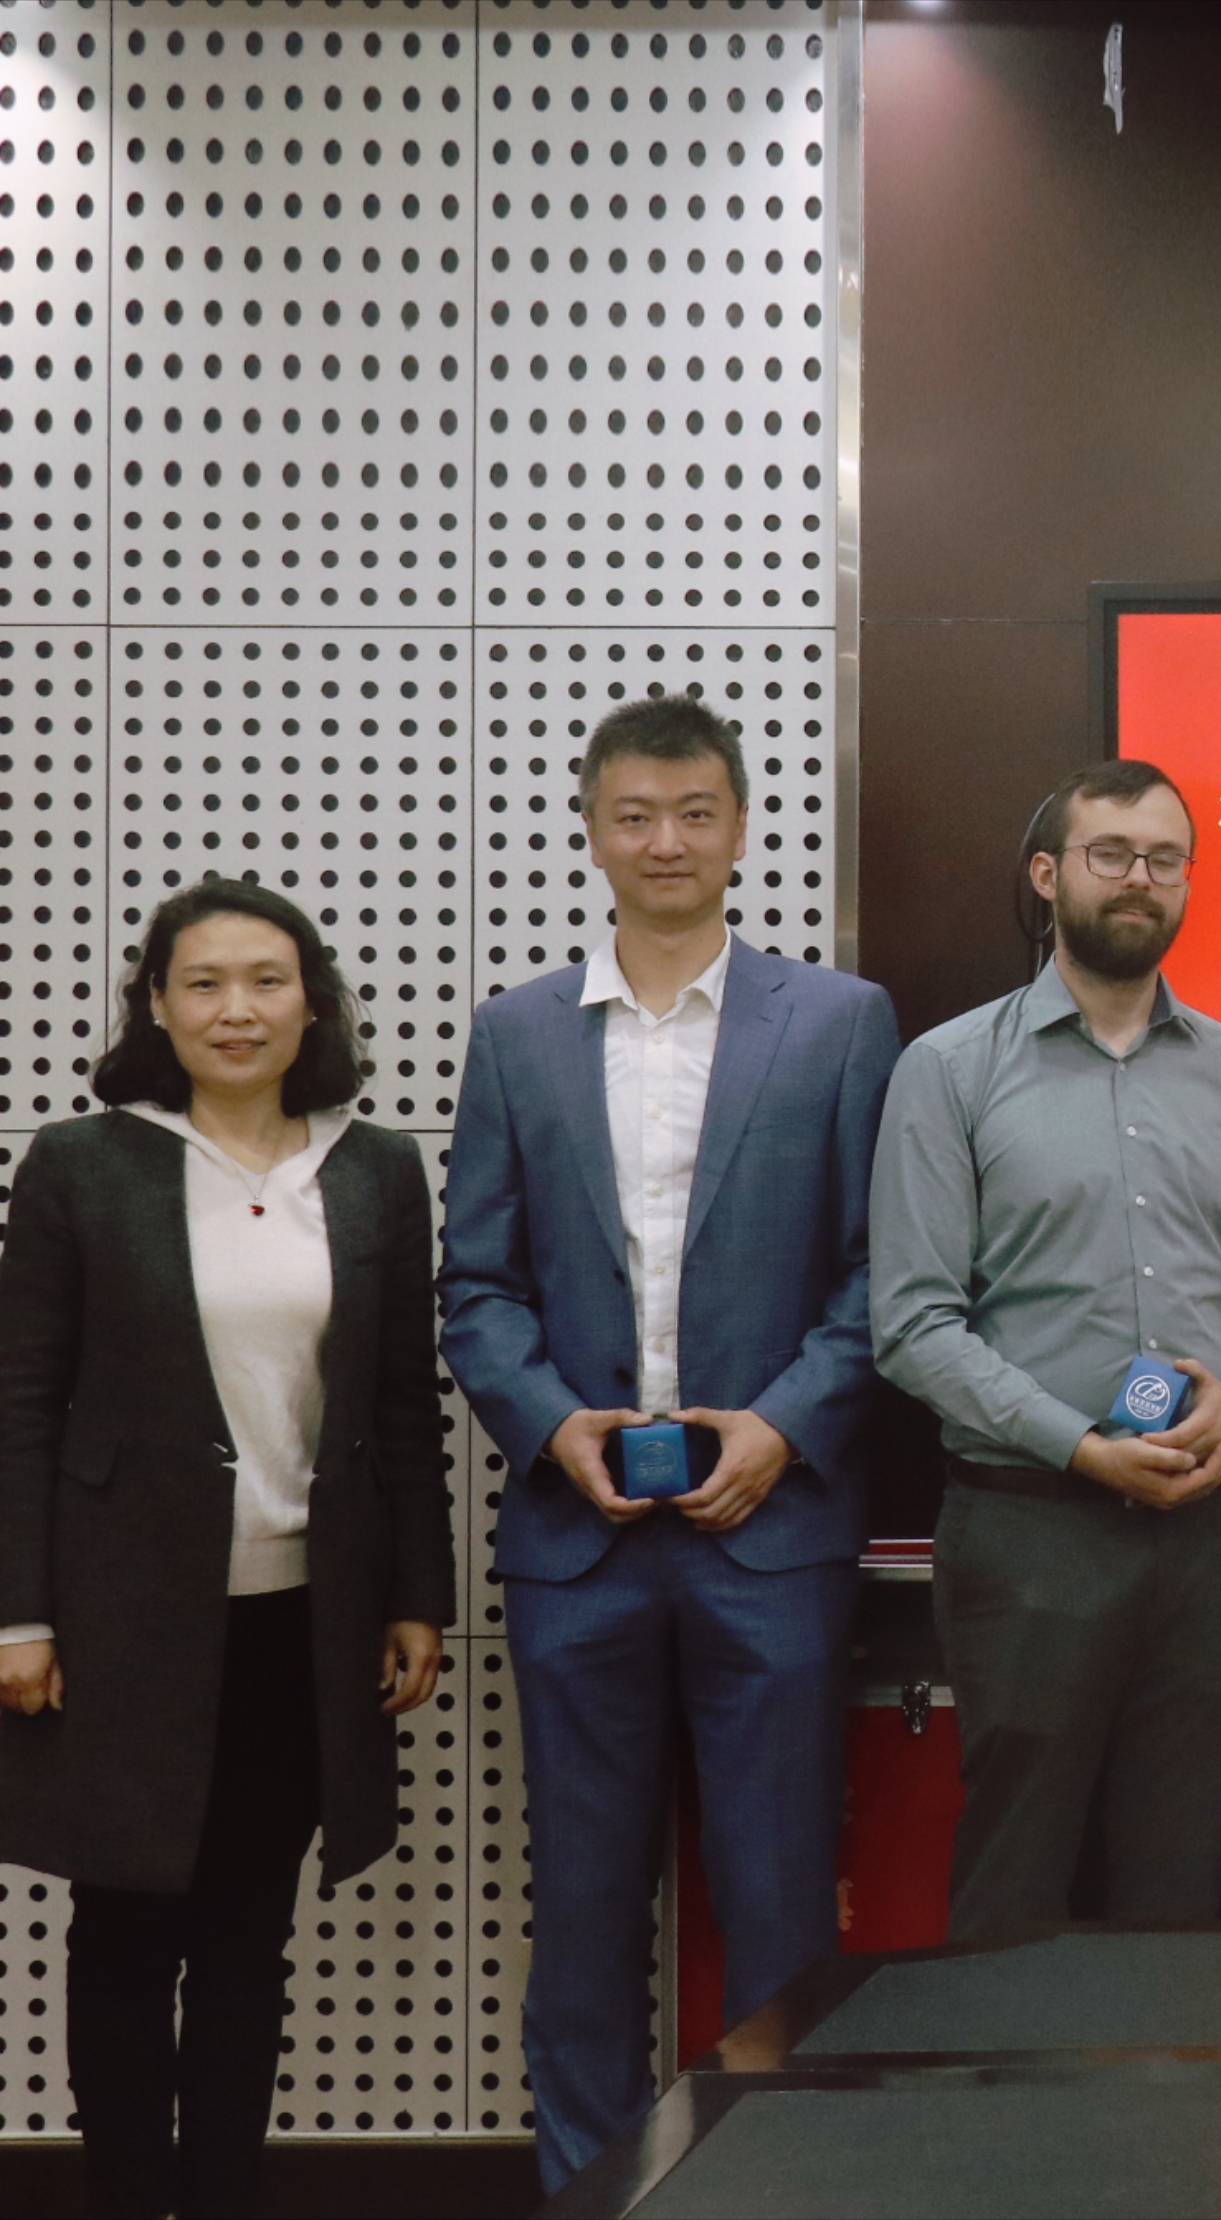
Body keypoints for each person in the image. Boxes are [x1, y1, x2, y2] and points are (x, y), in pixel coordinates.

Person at [439, 694, 903, 2190]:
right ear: (590, 831)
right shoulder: (517, 1034)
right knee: (582, 1908)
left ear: (741, 829)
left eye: (695, 813)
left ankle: (775, 2187)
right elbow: (476, 1287)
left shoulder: (835, 1022)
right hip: (577, 1540)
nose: (665, 842)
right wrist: (547, 1425)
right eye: (634, 814)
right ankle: (589, 2188)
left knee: (778, 1902)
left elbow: (881, 1275)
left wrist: (783, 1427)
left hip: (768, 1534)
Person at [0, 881, 448, 2220]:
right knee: (126, 1933)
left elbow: (401, 1406)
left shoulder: (374, 1167)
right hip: (120, 1619)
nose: (235, 1010)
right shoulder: (82, 1163)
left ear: (311, 1002)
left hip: (303, 1618)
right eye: (202, 984)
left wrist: (417, 1595)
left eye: (265, 981)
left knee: (250, 1939)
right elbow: (21, 1401)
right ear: (156, 1004)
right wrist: (19, 1612)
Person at [872, 761, 1221, 1939]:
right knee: (1015, 1884)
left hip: (1217, 1534)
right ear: (1047, 874)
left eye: (1164, 859)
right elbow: (912, 1324)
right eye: (1110, 854)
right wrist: (1078, 1446)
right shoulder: (949, 1069)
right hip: (1032, 1529)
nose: (1138, 880)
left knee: (1185, 1888)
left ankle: (1167, 2080)